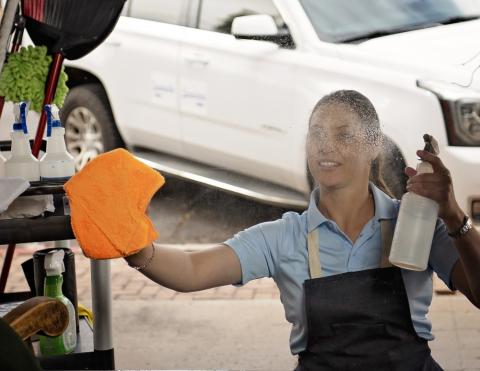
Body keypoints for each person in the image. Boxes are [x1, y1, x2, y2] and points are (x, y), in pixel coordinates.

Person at [125, 90, 480, 370]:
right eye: (317, 134)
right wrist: (132, 244)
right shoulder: (285, 237)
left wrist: (453, 217)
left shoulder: (415, 225)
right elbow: (191, 270)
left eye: (343, 135)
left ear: (374, 146)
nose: (326, 145)